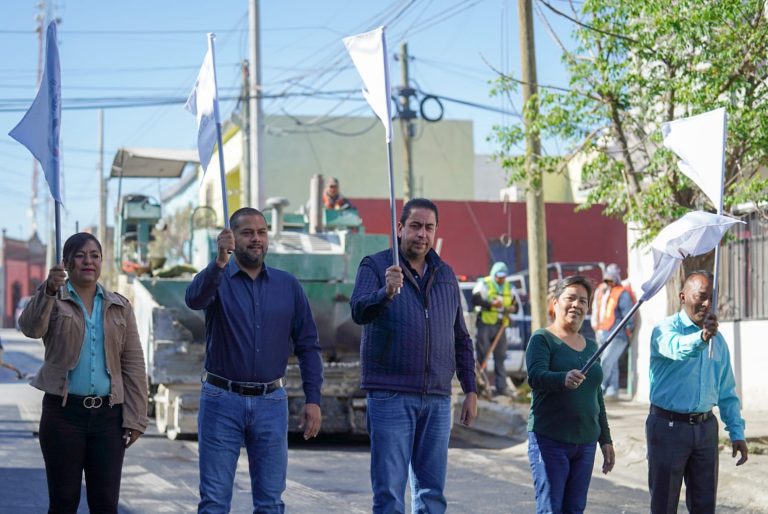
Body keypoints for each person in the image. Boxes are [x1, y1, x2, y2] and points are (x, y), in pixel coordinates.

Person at [185, 207, 323, 513]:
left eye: (261, 232)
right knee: (214, 502)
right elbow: (194, 299)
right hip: (221, 401)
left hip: (271, 403)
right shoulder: (217, 280)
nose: (256, 239)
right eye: (247, 233)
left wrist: (313, 399)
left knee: (271, 503)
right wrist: (218, 263)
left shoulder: (288, 286)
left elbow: (308, 346)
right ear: (232, 238)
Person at [350, 198, 478, 514]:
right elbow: (358, 311)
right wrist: (385, 293)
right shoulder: (377, 266)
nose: (422, 234)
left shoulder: (445, 275)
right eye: (416, 226)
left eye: (429, 227)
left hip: (436, 398)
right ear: (400, 227)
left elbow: (460, 337)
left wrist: (470, 389)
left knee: (432, 494)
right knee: (390, 494)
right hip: (390, 395)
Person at [18, 232, 148, 513]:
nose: (88, 261)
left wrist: (136, 416)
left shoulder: (119, 306)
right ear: (66, 263)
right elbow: (30, 328)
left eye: (94, 255)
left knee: (105, 503)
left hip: (108, 418)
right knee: (64, 501)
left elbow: (133, 364)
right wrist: (48, 290)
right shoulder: (54, 299)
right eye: (80, 255)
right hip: (63, 416)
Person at [647, 270, 748, 514]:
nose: (706, 303)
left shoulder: (719, 341)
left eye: (710, 298)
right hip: (668, 428)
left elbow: (726, 392)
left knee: (704, 505)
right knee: (664, 504)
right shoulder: (664, 330)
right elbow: (678, 349)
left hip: (705, 429)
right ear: (682, 296)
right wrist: (702, 337)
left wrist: (737, 432)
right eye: (700, 296)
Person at [526, 276, 615, 514]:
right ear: (555, 303)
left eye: (583, 301)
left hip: (585, 443)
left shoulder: (591, 346)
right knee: (551, 509)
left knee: (575, 509)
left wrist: (605, 439)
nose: (577, 304)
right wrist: (562, 379)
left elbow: (596, 395)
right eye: (570, 298)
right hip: (550, 440)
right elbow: (534, 377)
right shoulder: (542, 339)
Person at [472, 261, 518, 397]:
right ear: (494, 274)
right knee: (483, 356)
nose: (501, 279)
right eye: (499, 276)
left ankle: (501, 387)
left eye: (503, 276)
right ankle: (482, 387)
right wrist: (492, 304)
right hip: (485, 324)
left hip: (501, 325)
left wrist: (512, 308)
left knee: (500, 357)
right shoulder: (484, 284)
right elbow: (475, 300)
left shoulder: (509, 287)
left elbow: (516, 306)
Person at [590, 263, 635, 401]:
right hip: (603, 332)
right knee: (612, 362)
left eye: (611, 279)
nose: (608, 282)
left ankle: (598, 388)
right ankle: (612, 389)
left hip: (617, 334)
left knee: (606, 361)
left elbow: (629, 314)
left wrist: (629, 329)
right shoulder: (603, 291)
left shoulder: (622, 292)